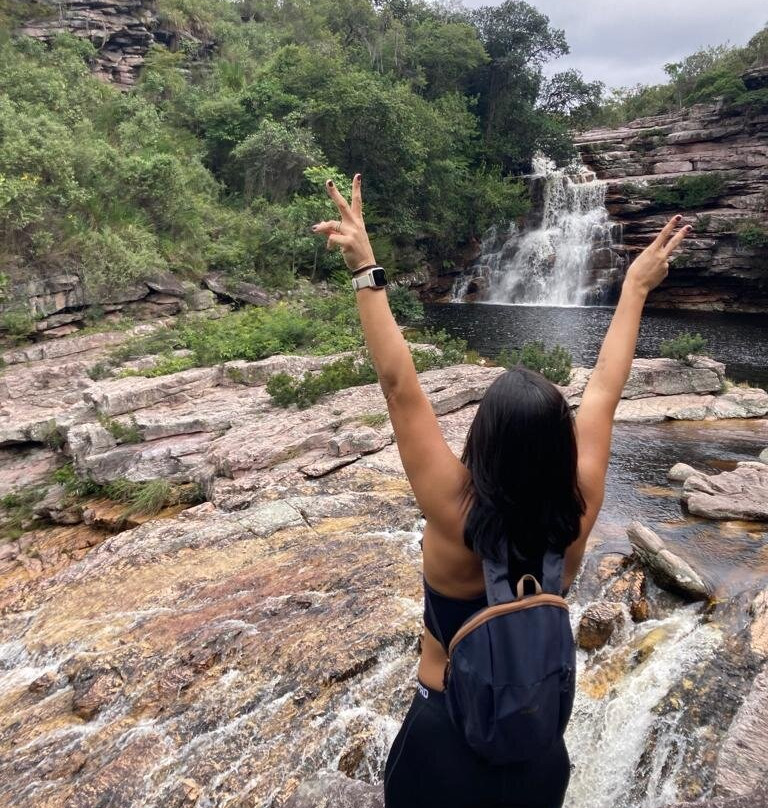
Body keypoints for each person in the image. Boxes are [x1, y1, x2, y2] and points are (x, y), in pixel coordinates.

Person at [312, 174, 691, 808]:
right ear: (558, 446)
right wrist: (635, 288)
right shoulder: (579, 508)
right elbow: (603, 391)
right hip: (538, 746)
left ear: (481, 441)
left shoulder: (450, 507)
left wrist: (364, 267)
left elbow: (399, 384)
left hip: (444, 740)